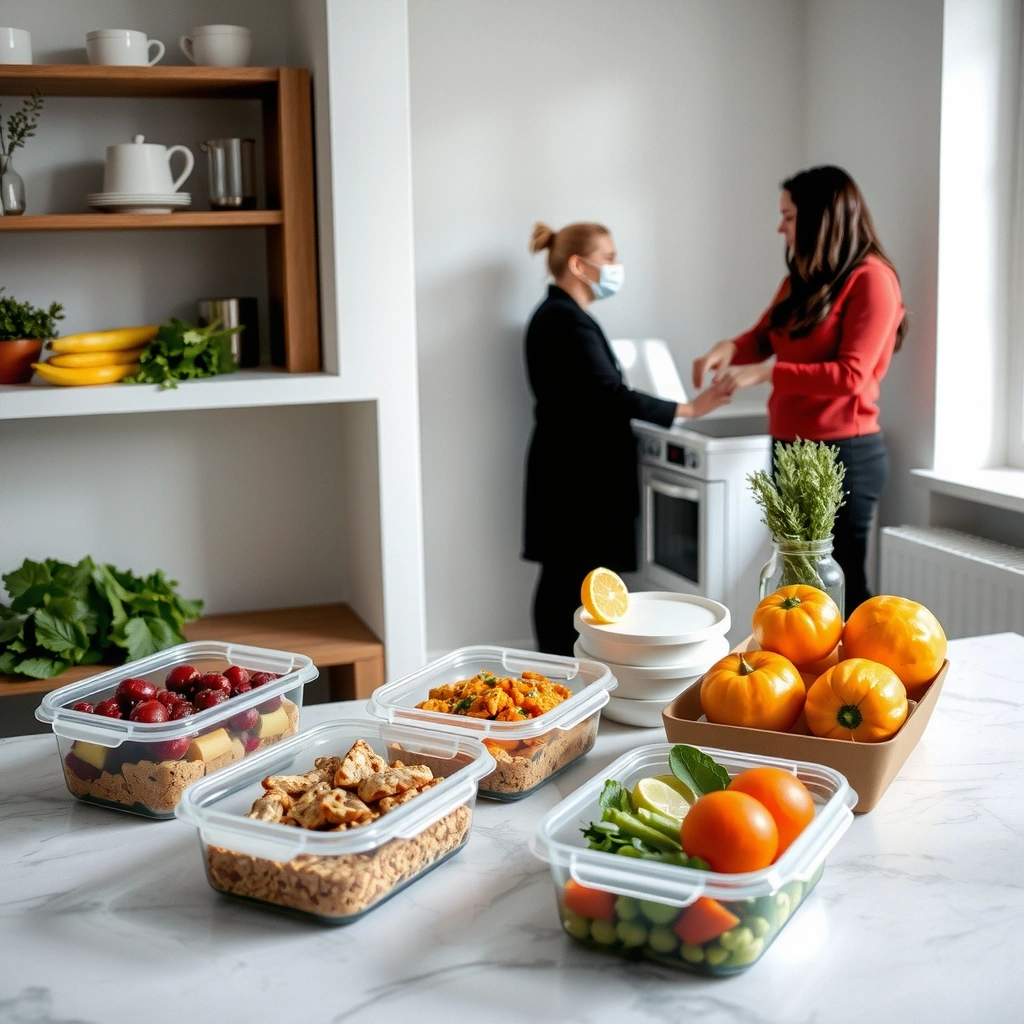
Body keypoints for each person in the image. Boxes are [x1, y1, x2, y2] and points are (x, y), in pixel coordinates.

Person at [692, 166, 906, 614]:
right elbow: (762, 337)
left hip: (844, 453)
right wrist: (728, 349)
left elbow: (852, 377)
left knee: (841, 589)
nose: (780, 226)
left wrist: (769, 373)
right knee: (798, 591)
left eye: (788, 216)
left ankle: (854, 682)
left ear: (821, 219)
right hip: (790, 449)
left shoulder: (872, 279)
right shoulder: (802, 279)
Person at [523, 220, 734, 655]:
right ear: (579, 265)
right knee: (569, 580)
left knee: (566, 577)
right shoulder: (564, 320)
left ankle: (563, 670)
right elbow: (608, 394)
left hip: (569, 470)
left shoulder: (564, 316)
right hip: (574, 475)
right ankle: (561, 672)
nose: (618, 266)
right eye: (610, 257)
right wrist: (688, 409)